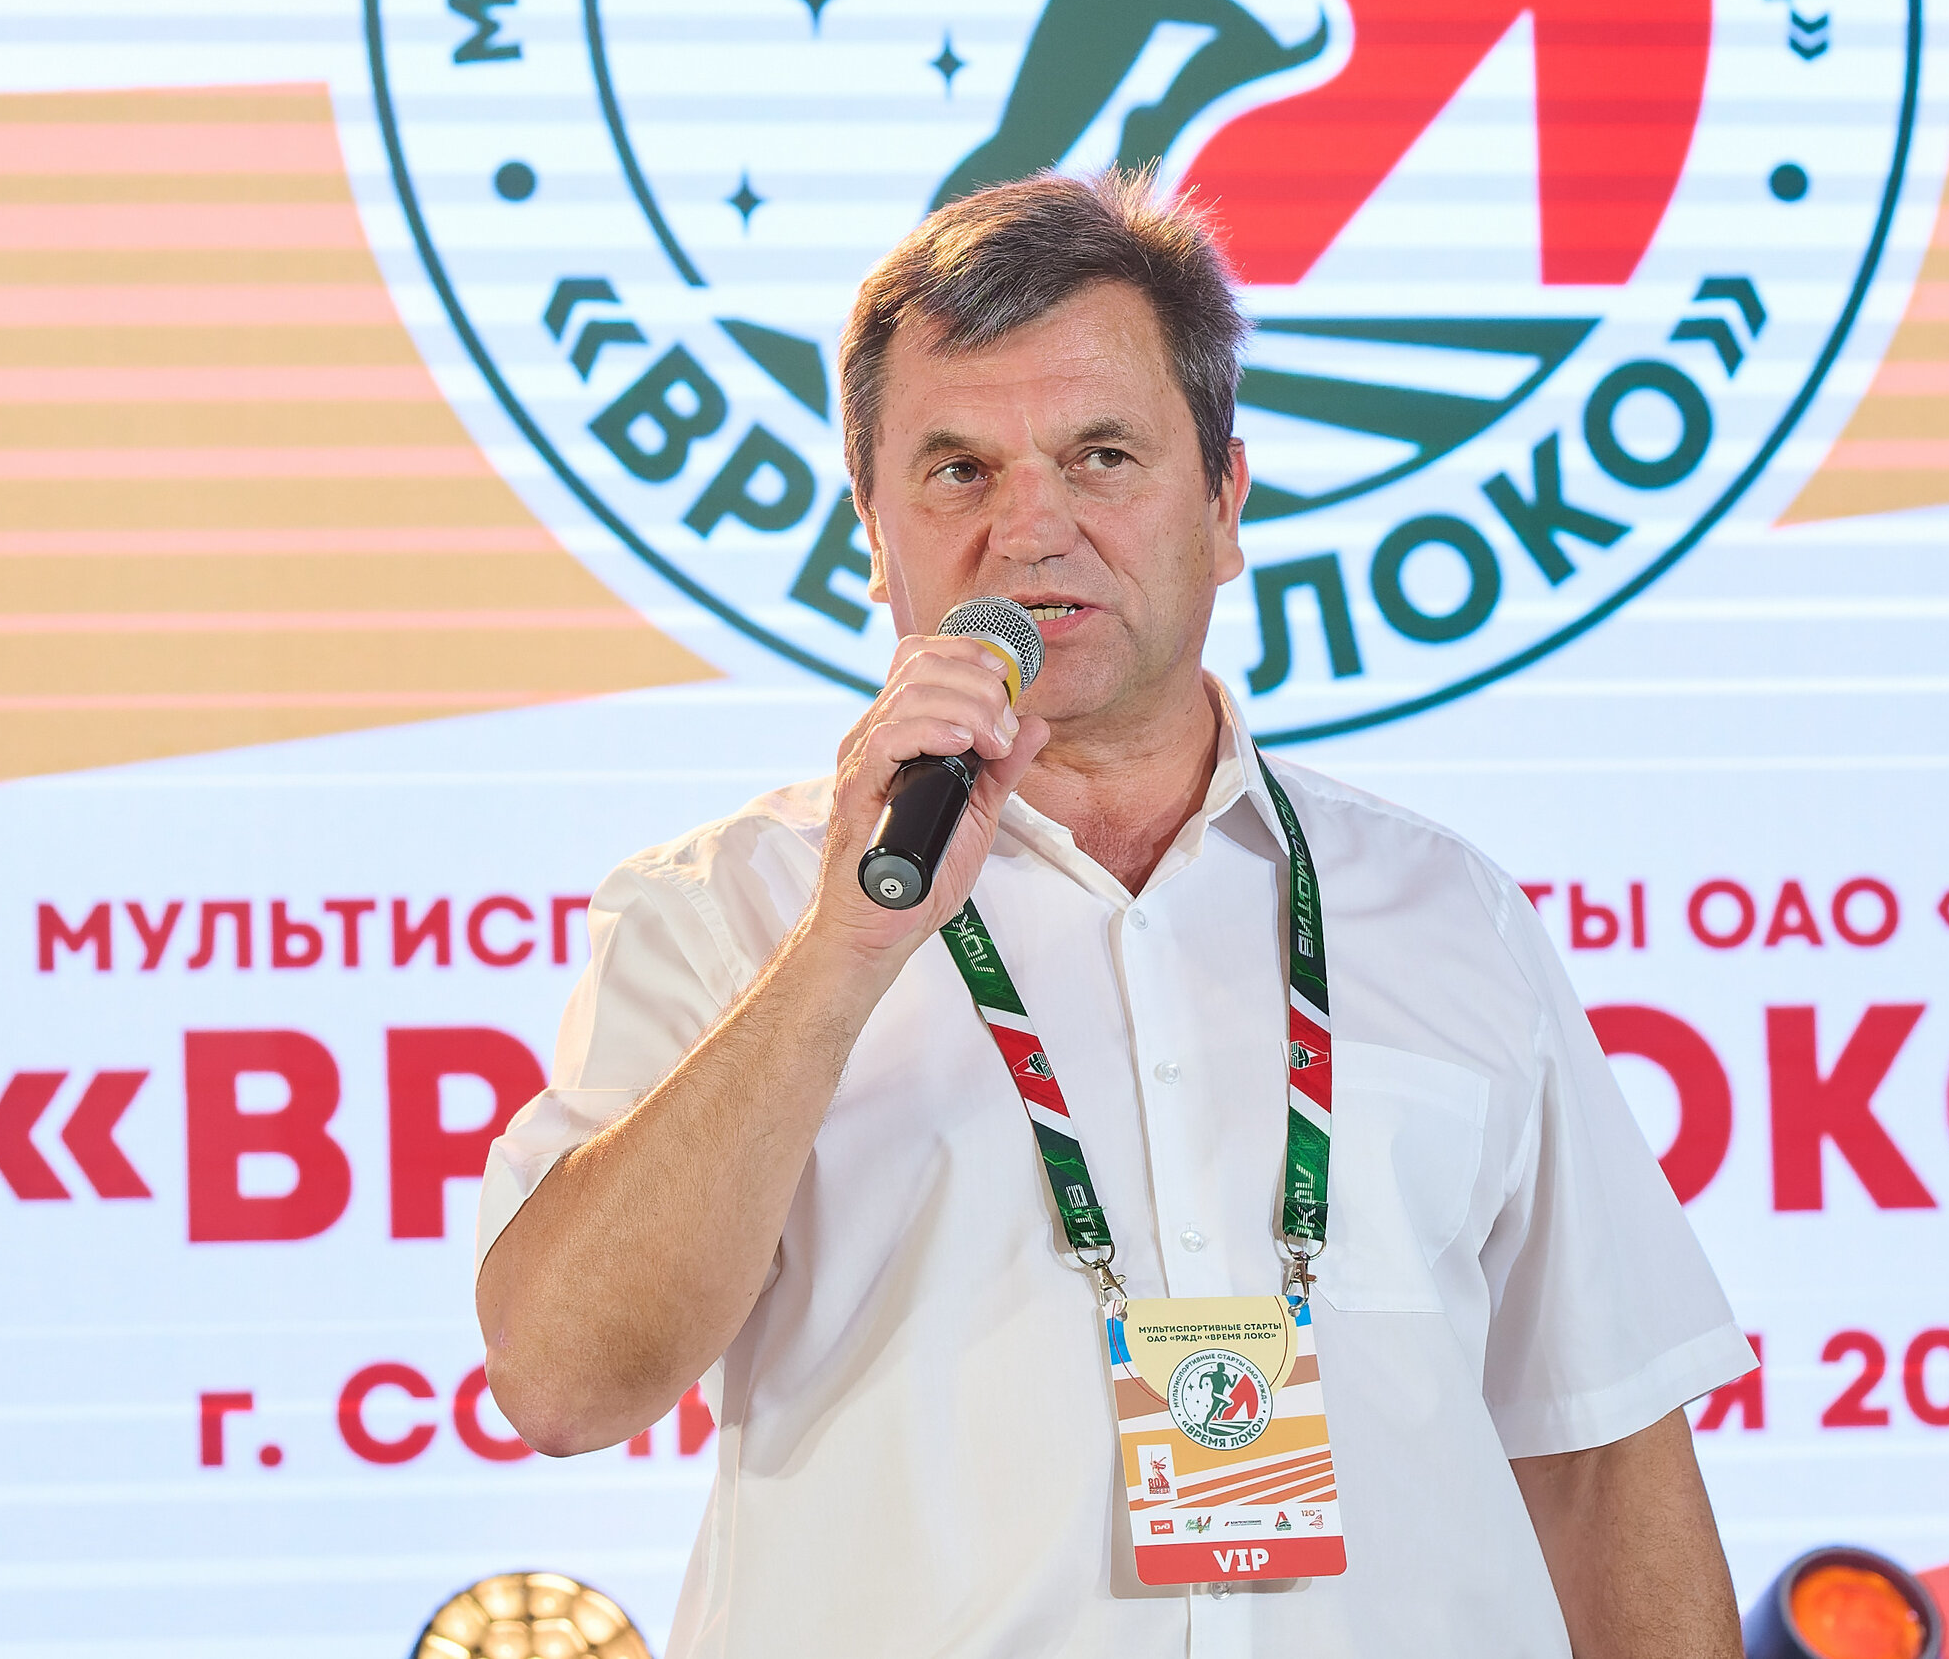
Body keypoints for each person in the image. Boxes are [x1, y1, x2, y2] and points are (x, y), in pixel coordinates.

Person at [475, 170, 1756, 1658]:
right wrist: (843, 953)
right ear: (873, 532)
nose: (1032, 529)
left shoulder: (1445, 912)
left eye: (1102, 456)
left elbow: (1606, 1457)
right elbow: (563, 1384)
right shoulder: (729, 912)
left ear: (1224, 502)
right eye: (958, 470)